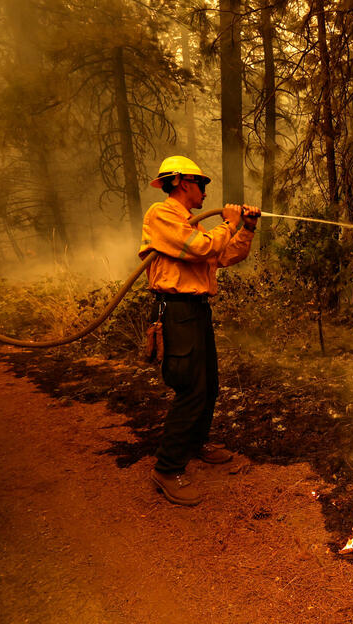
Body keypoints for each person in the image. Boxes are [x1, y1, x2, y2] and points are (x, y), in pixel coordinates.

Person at [139, 155, 260, 506]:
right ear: (181, 183)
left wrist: (245, 229)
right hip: (176, 312)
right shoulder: (162, 216)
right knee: (191, 388)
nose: (206, 190)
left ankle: (197, 442)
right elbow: (202, 249)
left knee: (209, 384)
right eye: (202, 183)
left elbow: (223, 256)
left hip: (196, 311)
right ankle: (167, 467)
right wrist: (228, 223)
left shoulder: (191, 225)